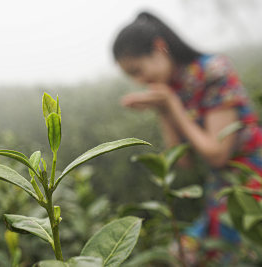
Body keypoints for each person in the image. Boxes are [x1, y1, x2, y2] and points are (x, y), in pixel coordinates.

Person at [112, 11, 262, 264]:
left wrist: (171, 104)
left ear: (160, 48)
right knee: (181, 252)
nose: (139, 81)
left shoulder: (213, 71)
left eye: (138, 70)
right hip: (221, 191)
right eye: (131, 76)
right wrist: (164, 109)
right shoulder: (174, 88)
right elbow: (182, 162)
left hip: (250, 187)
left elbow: (216, 154)